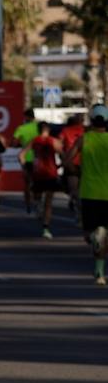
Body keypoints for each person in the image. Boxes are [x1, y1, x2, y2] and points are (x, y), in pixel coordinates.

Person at [67, 104, 108, 285]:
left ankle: (93, 238)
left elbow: (68, 159)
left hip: (89, 192)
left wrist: (75, 171)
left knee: (88, 234)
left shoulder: (83, 139)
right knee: (106, 235)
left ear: (91, 121)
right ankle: (99, 274)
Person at [29, 121, 63, 239]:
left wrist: (26, 168)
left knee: (37, 197)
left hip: (38, 173)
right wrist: (60, 165)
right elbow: (64, 154)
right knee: (48, 203)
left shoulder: (35, 140)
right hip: (50, 173)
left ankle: (38, 206)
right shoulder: (53, 141)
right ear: (48, 130)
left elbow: (21, 155)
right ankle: (46, 228)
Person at [12, 108, 39, 215]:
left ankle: (28, 205)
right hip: (38, 158)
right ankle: (38, 201)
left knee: (27, 183)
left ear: (26, 117)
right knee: (37, 181)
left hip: (26, 158)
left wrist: (20, 144)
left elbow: (14, 142)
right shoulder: (38, 127)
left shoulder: (21, 128)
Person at [61, 114, 86, 220]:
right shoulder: (85, 131)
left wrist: (63, 156)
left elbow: (59, 143)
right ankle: (78, 209)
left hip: (77, 164)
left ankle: (77, 207)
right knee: (76, 190)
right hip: (77, 164)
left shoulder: (85, 131)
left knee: (76, 189)